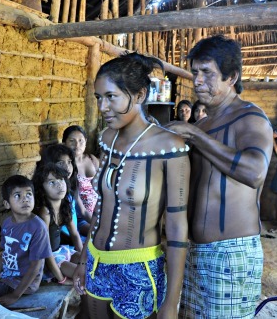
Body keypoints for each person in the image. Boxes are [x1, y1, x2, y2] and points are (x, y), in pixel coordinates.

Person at [73, 52, 190, 319]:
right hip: (96, 262)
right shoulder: (106, 139)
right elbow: (101, 206)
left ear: (138, 95)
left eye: (111, 97)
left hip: (138, 269)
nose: (102, 107)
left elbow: (176, 227)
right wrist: (83, 260)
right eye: (98, 98)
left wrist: (171, 302)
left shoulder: (171, 148)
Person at [166, 35, 273, 318]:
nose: (198, 80)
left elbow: (255, 172)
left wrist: (194, 135)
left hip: (231, 254)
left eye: (207, 73)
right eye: (195, 73)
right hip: (193, 251)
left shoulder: (250, 118)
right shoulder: (204, 124)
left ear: (231, 77)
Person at [0, 175, 54, 311]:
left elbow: (36, 265)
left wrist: (15, 295)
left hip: (23, 283)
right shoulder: (7, 224)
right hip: (8, 278)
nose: (25, 199)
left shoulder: (38, 227)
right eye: (17, 196)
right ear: (7, 204)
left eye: (29, 194)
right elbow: (6, 253)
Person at [33, 163, 83, 282]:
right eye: (52, 182)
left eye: (61, 179)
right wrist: (61, 278)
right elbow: (44, 248)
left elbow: (74, 234)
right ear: (42, 189)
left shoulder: (65, 206)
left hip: (62, 251)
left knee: (91, 266)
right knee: (83, 275)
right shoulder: (45, 212)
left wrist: (82, 257)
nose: (59, 185)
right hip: (49, 259)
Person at [39, 144, 91, 240]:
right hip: (63, 240)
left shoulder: (72, 186)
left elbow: (83, 212)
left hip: (75, 235)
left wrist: (99, 226)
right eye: (60, 163)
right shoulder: (52, 193)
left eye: (69, 162)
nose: (67, 167)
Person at [62, 125, 99, 224]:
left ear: (85, 141)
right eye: (72, 141)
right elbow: (81, 209)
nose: (77, 145)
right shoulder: (67, 168)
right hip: (82, 218)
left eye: (80, 140)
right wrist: (98, 225)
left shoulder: (93, 160)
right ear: (64, 143)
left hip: (99, 211)